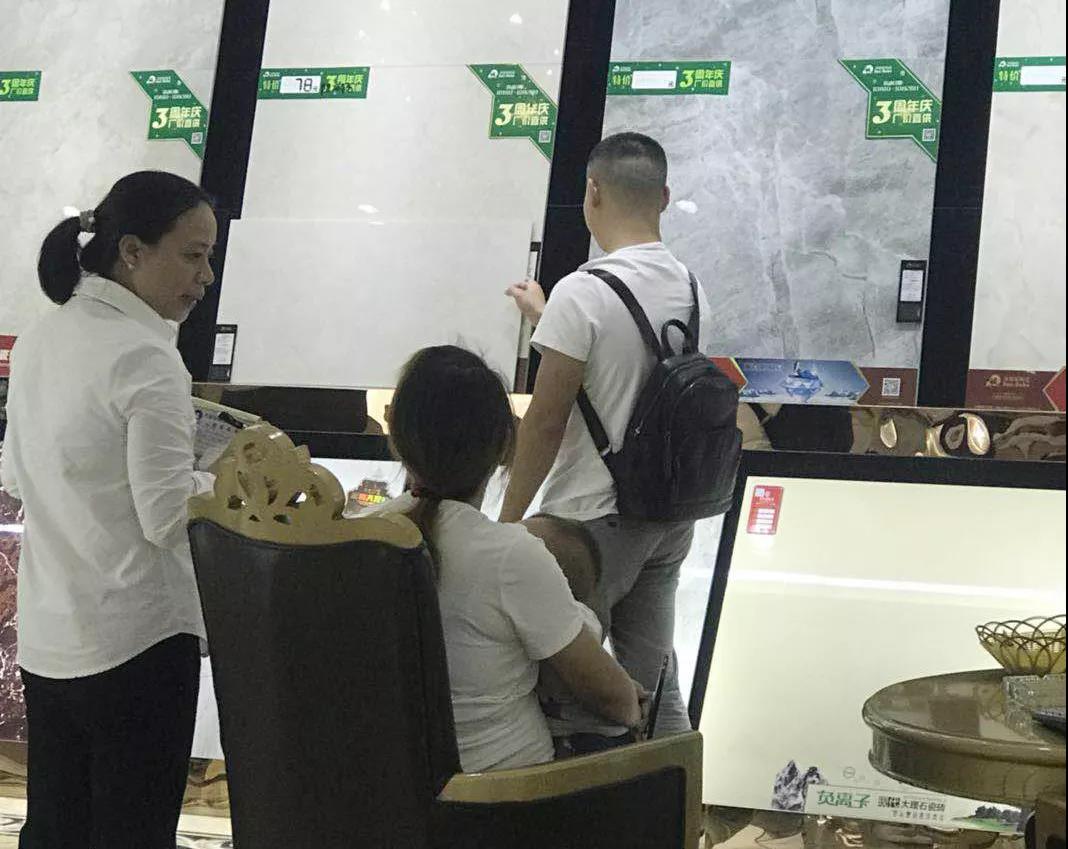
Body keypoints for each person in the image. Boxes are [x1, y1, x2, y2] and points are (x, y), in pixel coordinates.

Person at [1, 171, 218, 848]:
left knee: (56, 829)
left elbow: (13, 475)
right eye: (192, 254)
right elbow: (165, 515)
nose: (206, 277)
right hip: (137, 642)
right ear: (131, 251)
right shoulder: (147, 357)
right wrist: (224, 478)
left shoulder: (40, 338)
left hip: (50, 636)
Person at [501, 132, 710, 735]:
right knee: (656, 684)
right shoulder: (691, 288)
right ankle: (675, 787)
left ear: (592, 192)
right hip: (667, 517)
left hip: (591, 525)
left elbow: (546, 421)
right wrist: (550, 319)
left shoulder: (583, 291)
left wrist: (507, 524)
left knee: (575, 697)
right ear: (663, 197)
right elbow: (632, 366)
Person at [371, 345, 642, 772]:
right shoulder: (513, 557)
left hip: (385, 782)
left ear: (395, 435)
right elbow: (617, 702)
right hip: (504, 790)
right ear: (504, 447)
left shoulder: (354, 535)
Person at [522, 514, 635, 758]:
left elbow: (602, 689)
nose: (510, 541)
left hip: (591, 740)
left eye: (524, 544)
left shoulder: (576, 621)